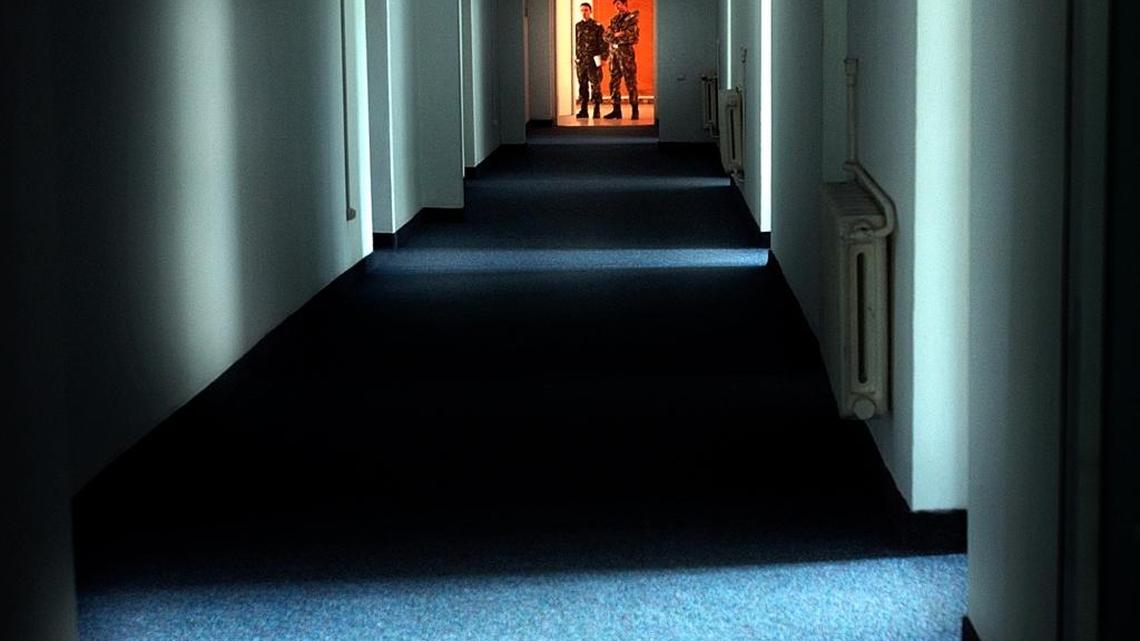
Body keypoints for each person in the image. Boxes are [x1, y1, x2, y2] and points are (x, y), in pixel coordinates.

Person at [603, 0, 639, 120]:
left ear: (625, 4)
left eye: (619, 4)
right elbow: (605, 36)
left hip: (626, 55)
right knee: (614, 82)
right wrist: (618, 34)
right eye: (615, 5)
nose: (617, 7)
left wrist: (618, 36)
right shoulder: (614, 19)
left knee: (630, 82)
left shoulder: (632, 19)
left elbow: (633, 37)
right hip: (614, 55)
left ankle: (635, 110)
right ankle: (616, 110)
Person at [574, 3, 607, 119]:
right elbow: (577, 43)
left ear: (590, 11)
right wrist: (577, 58)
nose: (584, 12)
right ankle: (584, 110)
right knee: (582, 85)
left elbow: (603, 43)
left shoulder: (597, 26)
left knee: (595, 85)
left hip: (593, 60)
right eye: (582, 10)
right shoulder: (578, 26)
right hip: (582, 61)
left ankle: (597, 109)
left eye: (586, 10)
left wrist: (604, 58)